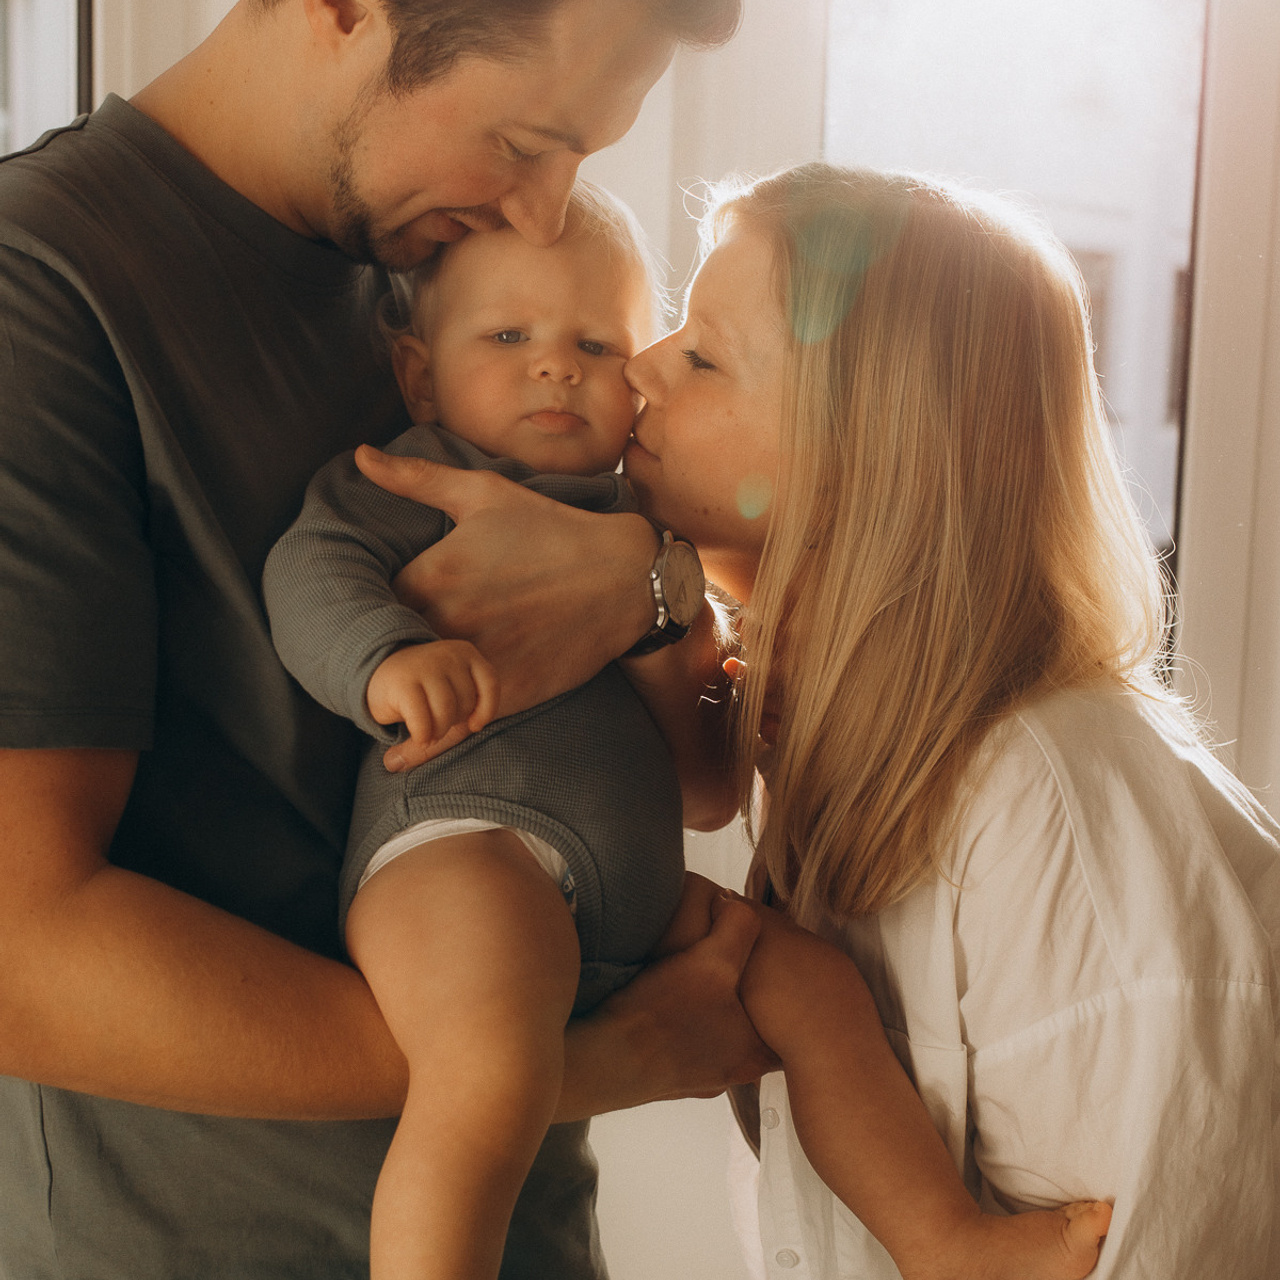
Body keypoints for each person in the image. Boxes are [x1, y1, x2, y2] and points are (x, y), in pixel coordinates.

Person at [358, 161, 1280, 1278]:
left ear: (863, 456)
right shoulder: (830, 751)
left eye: (700, 355)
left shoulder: (1054, 816)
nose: (637, 366)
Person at [0, 3, 771, 1278]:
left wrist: (653, 583)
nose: (542, 214)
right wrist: (571, 1059)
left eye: (580, 158)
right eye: (524, 142)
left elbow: (683, 710)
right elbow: (20, 947)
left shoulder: (444, 276)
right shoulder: (43, 289)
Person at [262, 180, 696, 1279]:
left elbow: (709, 775)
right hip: (466, 846)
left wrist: (675, 601)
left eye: (595, 342)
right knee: (487, 1070)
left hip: (621, 891)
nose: (554, 363)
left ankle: (934, 1234)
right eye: (508, 334)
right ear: (418, 369)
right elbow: (309, 571)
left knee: (813, 990)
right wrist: (384, 659)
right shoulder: (418, 477)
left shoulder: (644, 520)